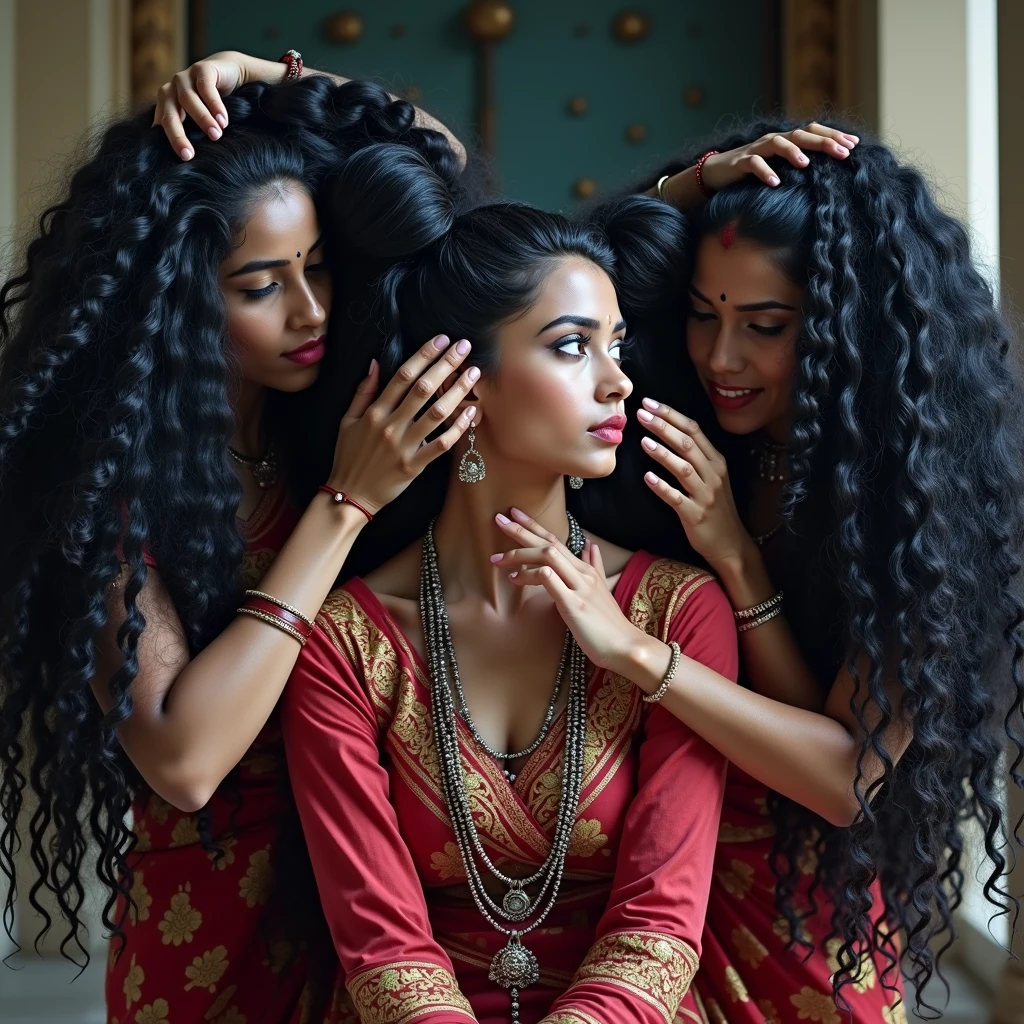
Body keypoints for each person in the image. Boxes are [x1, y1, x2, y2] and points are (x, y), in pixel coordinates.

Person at [0, 75, 478, 1024]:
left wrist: (264, 78)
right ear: (172, 302)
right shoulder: (108, 489)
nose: (311, 310)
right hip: (214, 923)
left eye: (319, 267)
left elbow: (438, 160)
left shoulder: (324, 417)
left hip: (387, 895)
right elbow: (183, 756)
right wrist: (345, 505)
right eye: (262, 285)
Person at [533, 123, 1024, 1022]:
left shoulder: (911, 497)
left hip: (800, 891)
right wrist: (696, 183)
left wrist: (673, 620)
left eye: (765, 327)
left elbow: (840, 775)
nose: (721, 359)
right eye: (702, 314)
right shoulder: (673, 419)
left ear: (849, 328)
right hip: (639, 869)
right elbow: (561, 285)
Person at [277, 142, 738, 1024]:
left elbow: (661, 921)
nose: (618, 380)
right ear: (465, 384)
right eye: (572, 348)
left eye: (617, 344)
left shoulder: (677, 610)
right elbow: (381, 943)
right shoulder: (346, 639)